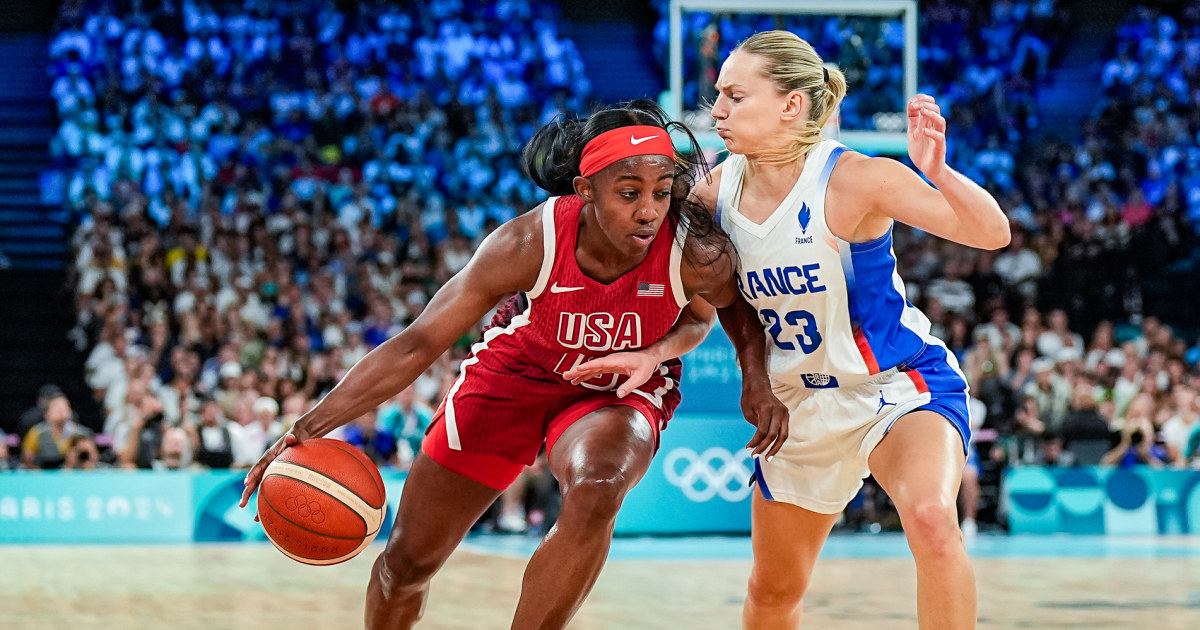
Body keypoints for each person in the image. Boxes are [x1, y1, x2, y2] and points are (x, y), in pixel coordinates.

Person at [239, 100, 784, 630]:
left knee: (598, 487)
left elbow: (724, 308)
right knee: (405, 567)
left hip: (617, 389)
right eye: (628, 193)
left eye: (662, 193)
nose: (649, 210)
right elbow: (418, 343)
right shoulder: (526, 241)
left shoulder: (694, 249)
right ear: (585, 191)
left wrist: (716, 369)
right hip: (515, 374)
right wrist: (304, 427)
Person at [567, 31, 1010, 629]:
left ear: (791, 105)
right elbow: (702, 313)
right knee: (772, 593)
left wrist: (940, 173)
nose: (717, 109)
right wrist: (655, 352)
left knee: (932, 518)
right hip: (796, 404)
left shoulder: (855, 179)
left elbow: (992, 234)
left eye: (735, 95)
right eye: (718, 94)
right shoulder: (712, 194)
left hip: (898, 387)